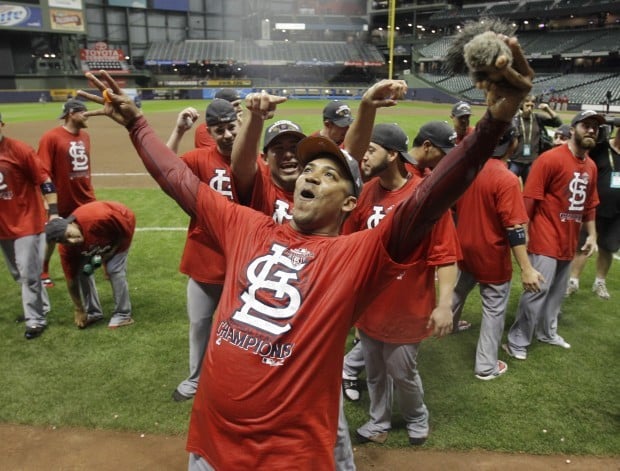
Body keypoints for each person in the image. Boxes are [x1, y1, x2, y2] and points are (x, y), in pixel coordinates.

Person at [79, 38, 533, 468]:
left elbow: (428, 199)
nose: (311, 176)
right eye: (309, 168)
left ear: (352, 202)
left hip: (289, 457)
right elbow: (179, 181)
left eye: (330, 175)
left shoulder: (356, 255)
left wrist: (493, 122)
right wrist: (138, 123)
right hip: (210, 446)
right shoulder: (246, 225)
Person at [347, 123, 459, 445]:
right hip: (371, 306)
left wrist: (444, 303)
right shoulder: (367, 192)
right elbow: (350, 245)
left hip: (407, 308)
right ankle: (378, 422)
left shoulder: (424, 198)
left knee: (402, 372)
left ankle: (416, 416)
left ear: (393, 154)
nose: (364, 157)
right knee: (375, 372)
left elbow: (446, 255)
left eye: (371, 150)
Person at [503, 110, 602, 361]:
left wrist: (591, 235)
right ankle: (517, 340)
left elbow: (590, 204)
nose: (591, 130)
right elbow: (530, 199)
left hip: (569, 240)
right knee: (536, 292)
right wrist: (523, 235)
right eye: (586, 126)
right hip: (545, 237)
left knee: (556, 296)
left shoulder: (591, 166)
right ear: (574, 128)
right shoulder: (549, 159)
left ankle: (547, 332)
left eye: (596, 128)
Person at [451, 126, 544, 380]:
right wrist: (526, 267)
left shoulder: (469, 170)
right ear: (512, 144)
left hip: (464, 246)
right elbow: (514, 227)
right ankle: (486, 366)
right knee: (493, 307)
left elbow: (453, 209)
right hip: (491, 255)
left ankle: (446, 325)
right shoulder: (507, 179)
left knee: (458, 290)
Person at [170, 98, 242, 402]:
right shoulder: (199, 159)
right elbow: (163, 166)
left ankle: (237, 380)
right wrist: (178, 131)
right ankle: (195, 378)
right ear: (209, 132)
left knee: (240, 331)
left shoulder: (256, 159)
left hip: (243, 261)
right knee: (199, 324)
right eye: (218, 130)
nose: (226, 134)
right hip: (204, 258)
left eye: (231, 127)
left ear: (240, 125)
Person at [0, 112, 58, 339]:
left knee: (29, 274)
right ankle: (41, 307)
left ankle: (35, 320)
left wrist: (53, 212)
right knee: (18, 274)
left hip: (27, 221)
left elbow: (45, 181)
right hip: (3, 225)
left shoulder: (19, 150)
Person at [44, 201, 136, 329]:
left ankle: (123, 314)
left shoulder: (97, 218)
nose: (73, 241)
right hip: (96, 240)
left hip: (123, 221)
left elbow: (123, 230)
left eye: (70, 235)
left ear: (71, 223)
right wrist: (79, 309)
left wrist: (111, 251)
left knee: (114, 268)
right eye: (66, 241)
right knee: (84, 272)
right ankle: (93, 313)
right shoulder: (67, 251)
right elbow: (72, 281)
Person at [38, 98, 97, 288]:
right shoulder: (51, 137)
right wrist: (49, 202)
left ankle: (92, 263)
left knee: (91, 232)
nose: (86, 115)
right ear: (71, 113)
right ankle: (43, 270)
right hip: (61, 198)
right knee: (52, 236)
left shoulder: (85, 136)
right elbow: (42, 171)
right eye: (83, 112)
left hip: (85, 197)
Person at [566, 117, 620, 299]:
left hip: (617, 213)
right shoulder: (600, 148)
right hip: (593, 209)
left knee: (608, 247)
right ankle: (572, 281)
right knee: (582, 245)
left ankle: (600, 283)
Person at [508, 95, 562, 184]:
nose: (530, 108)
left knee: (530, 188)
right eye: (527, 105)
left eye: (532, 106)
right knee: (507, 185)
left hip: (532, 162)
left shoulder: (537, 118)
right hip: (515, 161)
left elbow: (558, 123)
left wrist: (547, 109)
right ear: (522, 105)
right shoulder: (515, 119)